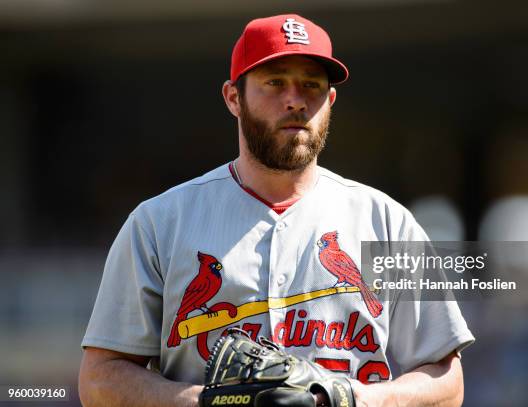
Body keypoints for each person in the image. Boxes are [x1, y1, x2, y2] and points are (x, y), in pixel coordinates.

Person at [79, 13, 475, 407]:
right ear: (234, 97)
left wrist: (354, 399)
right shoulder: (160, 224)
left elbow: (447, 383)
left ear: (330, 100)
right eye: (275, 82)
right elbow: (99, 380)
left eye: (311, 85)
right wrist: (208, 402)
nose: (295, 100)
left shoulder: (387, 224)